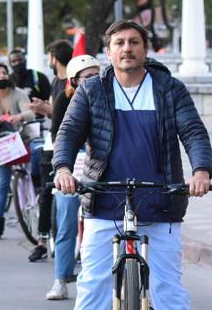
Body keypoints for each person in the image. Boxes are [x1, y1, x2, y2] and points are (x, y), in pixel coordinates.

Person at [54, 20, 212, 309]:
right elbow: (69, 133)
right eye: (120, 43)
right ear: (108, 51)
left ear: (145, 49)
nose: (127, 48)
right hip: (103, 201)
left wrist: (201, 171)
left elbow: (193, 131)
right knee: (92, 287)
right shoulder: (92, 90)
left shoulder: (169, 88)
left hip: (161, 201)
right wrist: (63, 168)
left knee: (168, 288)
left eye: (134, 42)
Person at [44, 53, 100, 301]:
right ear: (74, 81)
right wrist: (64, 169)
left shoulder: (107, 98)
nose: (93, 81)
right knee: (66, 224)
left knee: (100, 226)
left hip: (98, 168)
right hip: (73, 168)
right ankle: (61, 279)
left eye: (96, 75)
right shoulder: (63, 101)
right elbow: (60, 139)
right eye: (87, 77)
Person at [28, 39, 75, 263]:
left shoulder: (72, 83)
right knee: (46, 192)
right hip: (52, 140)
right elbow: (53, 113)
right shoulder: (56, 81)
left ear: (54, 58)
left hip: (71, 144)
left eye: (50, 56)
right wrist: (43, 108)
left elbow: (65, 112)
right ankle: (42, 240)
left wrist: (45, 108)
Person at [0, 63, 35, 239]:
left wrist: (18, 117)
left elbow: (30, 113)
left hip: (20, 139)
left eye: (4, 73)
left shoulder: (19, 93)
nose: (2, 76)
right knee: (1, 185)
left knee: (35, 165)